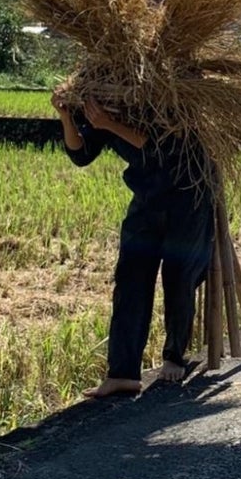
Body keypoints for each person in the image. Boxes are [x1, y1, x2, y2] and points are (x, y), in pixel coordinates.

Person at [53, 84, 214, 397]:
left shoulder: (166, 93)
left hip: (188, 196)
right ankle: (123, 373)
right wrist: (65, 117)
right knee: (130, 280)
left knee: (179, 278)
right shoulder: (104, 97)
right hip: (147, 197)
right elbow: (82, 154)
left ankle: (174, 357)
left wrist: (111, 124)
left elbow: (165, 147)